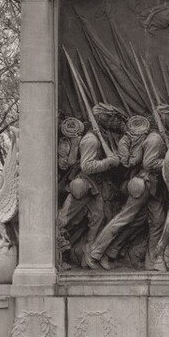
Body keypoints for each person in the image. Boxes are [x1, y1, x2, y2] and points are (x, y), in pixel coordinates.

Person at [87, 113, 167, 271]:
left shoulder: (151, 138)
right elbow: (149, 163)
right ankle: (95, 253)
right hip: (144, 183)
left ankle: (150, 262)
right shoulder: (154, 139)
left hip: (154, 187)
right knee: (123, 219)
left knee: (157, 221)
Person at [57, 104, 125, 270]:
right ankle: (54, 257)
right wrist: (110, 162)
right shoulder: (91, 140)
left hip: (96, 187)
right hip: (83, 186)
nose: (114, 121)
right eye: (111, 118)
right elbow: (87, 166)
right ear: (102, 118)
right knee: (64, 220)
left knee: (98, 221)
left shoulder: (104, 137)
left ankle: (88, 258)